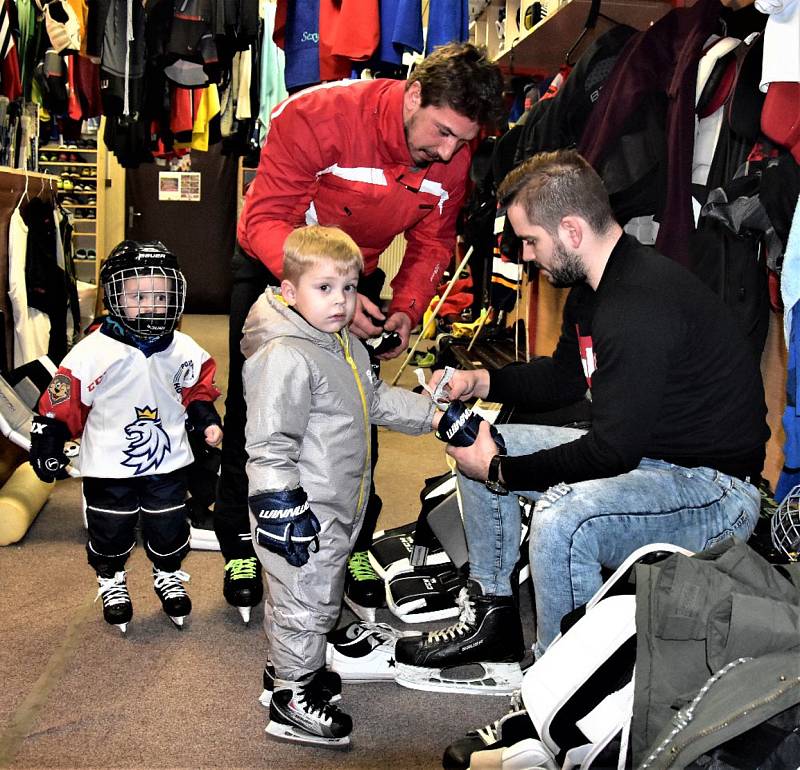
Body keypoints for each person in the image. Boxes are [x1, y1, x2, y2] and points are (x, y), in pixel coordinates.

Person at [394, 149, 770, 694]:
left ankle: (555, 687)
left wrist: (499, 472)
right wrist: (482, 381)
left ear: (570, 229)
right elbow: (566, 381)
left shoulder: (639, 302)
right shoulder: (598, 289)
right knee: (484, 438)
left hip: (714, 493)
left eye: (530, 241)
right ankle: (494, 621)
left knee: (562, 516)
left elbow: (609, 451)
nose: (525, 257)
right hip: (651, 460)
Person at [214, 41, 505, 623]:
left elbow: (432, 241)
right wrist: (322, 295)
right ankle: (241, 542)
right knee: (260, 407)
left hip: (353, 274)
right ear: (413, 95)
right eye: (443, 133)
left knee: (357, 404)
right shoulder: (316, 117)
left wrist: (406, 306)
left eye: (462, 142)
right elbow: (264, 221)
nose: (449, 152)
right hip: (278, 264)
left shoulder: (452, 153)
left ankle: (354, 542)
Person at [241, 225, 441, 748]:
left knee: (312, 597)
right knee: (302, 602)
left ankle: (288, 671)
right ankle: (290, 698)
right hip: (300, 509)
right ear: (289, 292)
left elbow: (374, 402)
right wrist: (279, 503)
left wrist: (437, 415)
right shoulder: (286, 354)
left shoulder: (340, 342)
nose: (341, 301)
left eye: (349, 288)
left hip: (337, 501)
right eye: (324, 288)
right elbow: (269, 442)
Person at [29, 241, 223, 633]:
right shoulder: (92, 351)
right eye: (138, 295)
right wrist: (47, 440)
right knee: (111, 526)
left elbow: (196, 390)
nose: (150, 304)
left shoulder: (184, 348)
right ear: (115, 296)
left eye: (161, 295)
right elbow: (61, 400)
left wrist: (206, 420)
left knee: (168, 523)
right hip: (107, 464)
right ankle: (110, 576)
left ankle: (167, 571)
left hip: (167, 460)